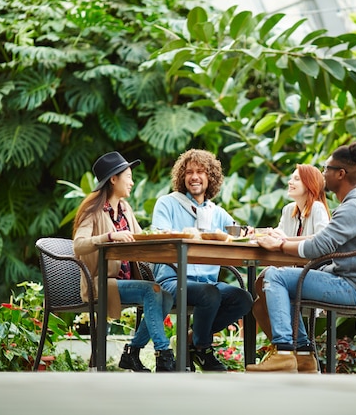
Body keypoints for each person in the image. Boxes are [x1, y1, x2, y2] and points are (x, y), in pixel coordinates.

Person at [246, 141, 356, 373]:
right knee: (277, 278)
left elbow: (318, 247)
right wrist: (281, 241)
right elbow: (321, 240)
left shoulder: (353, 208)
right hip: (350, 281)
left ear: (340, 174)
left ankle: (283, 353)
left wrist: (280, 245)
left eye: (326, 169)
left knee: (275, 276)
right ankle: (303, 356)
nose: (322, 174)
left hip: (352, 288)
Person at [151, 149, 253, 372]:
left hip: (207, 283)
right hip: (172, 280)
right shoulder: (167, 203)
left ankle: (193, 340)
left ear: (211, 178)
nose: (194, 177)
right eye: (189, 172)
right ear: (182, 177)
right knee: (210, 293)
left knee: (243, 299)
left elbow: (240, 232)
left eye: (200, 172)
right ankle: (203, 348)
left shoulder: (216, 212)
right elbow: (158, 234)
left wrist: (248, 232)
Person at [73, 151, 176, 372]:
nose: (132, 182)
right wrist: (109, 237)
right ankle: (164, 354)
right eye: (128, 176)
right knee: (153, 291)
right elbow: (78, 245)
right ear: (113, 179)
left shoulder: (125, 209)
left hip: (127, 282)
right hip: (102, 283)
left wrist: (160, 236)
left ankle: (132, 352)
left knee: (166, 296)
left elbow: (140, 239)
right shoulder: (92, 210)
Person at [252, 164, 331, 347]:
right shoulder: (289, 210)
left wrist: (284, 239)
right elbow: (279, 234)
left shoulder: (317, 208)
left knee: (263, 280)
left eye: (296, 179)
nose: (290, 181)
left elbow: (322, 239)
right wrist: (264, 234)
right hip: (291, 272)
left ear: (309, 184)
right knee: (257, 305)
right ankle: (294, 351)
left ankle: (298, 348)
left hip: (315, 274)